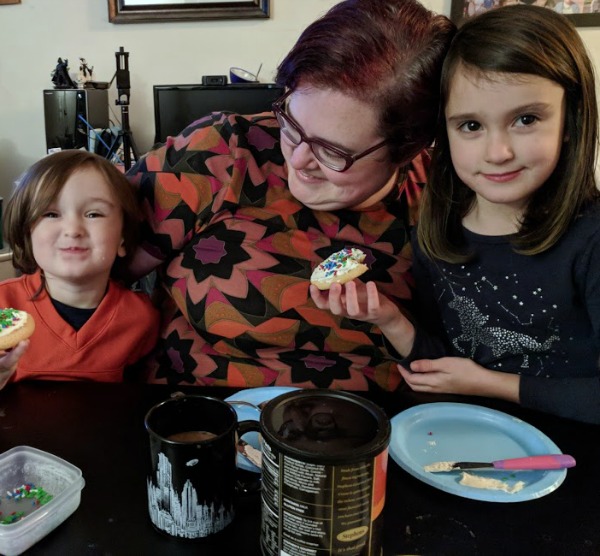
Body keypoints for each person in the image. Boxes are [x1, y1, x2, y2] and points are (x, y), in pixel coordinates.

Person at [127, 0, 456, 390]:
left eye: (333, 151)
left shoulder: (443, 200)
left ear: (408, 148)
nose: (298, 160)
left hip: (381, 431)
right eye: (290, 122)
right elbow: (86, 276)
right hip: (203, 417)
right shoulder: (222, 155)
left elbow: (458, 361)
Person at [312, 4, 600, 424]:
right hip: (458, 438)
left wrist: (491, 384)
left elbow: (473, 380)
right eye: (470, 126)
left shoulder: (590, 239)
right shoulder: (438, 232)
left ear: (570, 119)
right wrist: (388, 318)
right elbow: (444, 368)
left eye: (526, 119)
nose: (498, 153)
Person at [0, 150, 160, 390]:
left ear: (122, 240)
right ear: (27, 234)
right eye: (51, 214)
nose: (73, 229)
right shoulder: (3, 304)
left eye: (94, 214)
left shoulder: (140, 318)